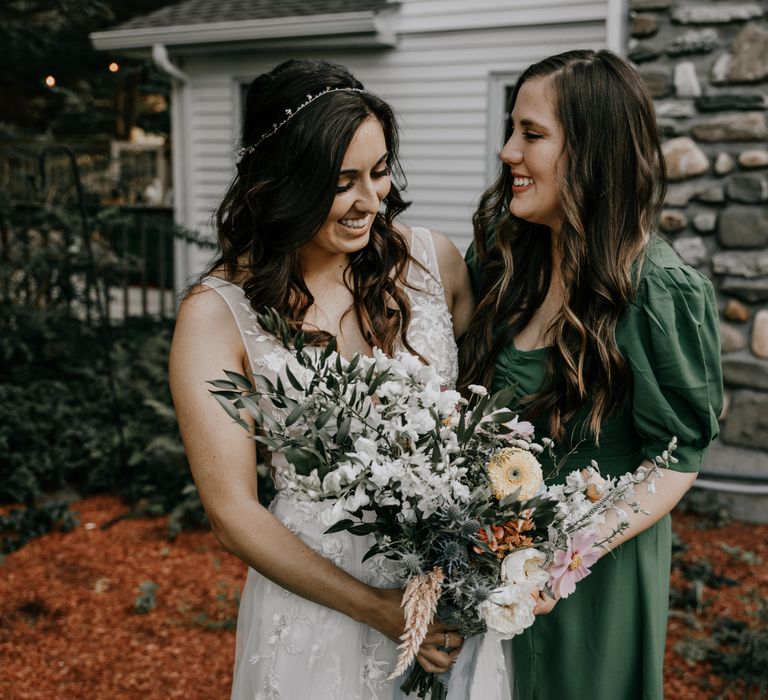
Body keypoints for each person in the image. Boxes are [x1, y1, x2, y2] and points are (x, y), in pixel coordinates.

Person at [169, 59, 473, 699]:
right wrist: (377, 608)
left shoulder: (432, 262)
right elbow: (231, 512)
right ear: (283, 183)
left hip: (445, 597)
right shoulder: (218, 317)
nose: (372, 200)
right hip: (317, 606)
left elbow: (479, 426)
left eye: (380, 171)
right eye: (343, 182)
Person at [459, 49, 723, 700]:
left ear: (592, 152)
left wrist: (560, 558)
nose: (507, 153)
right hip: (486, 568)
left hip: (592, 582)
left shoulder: (657, 290)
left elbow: (676, 458)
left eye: (531, 134)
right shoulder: (502, 256)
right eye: (510, 129)